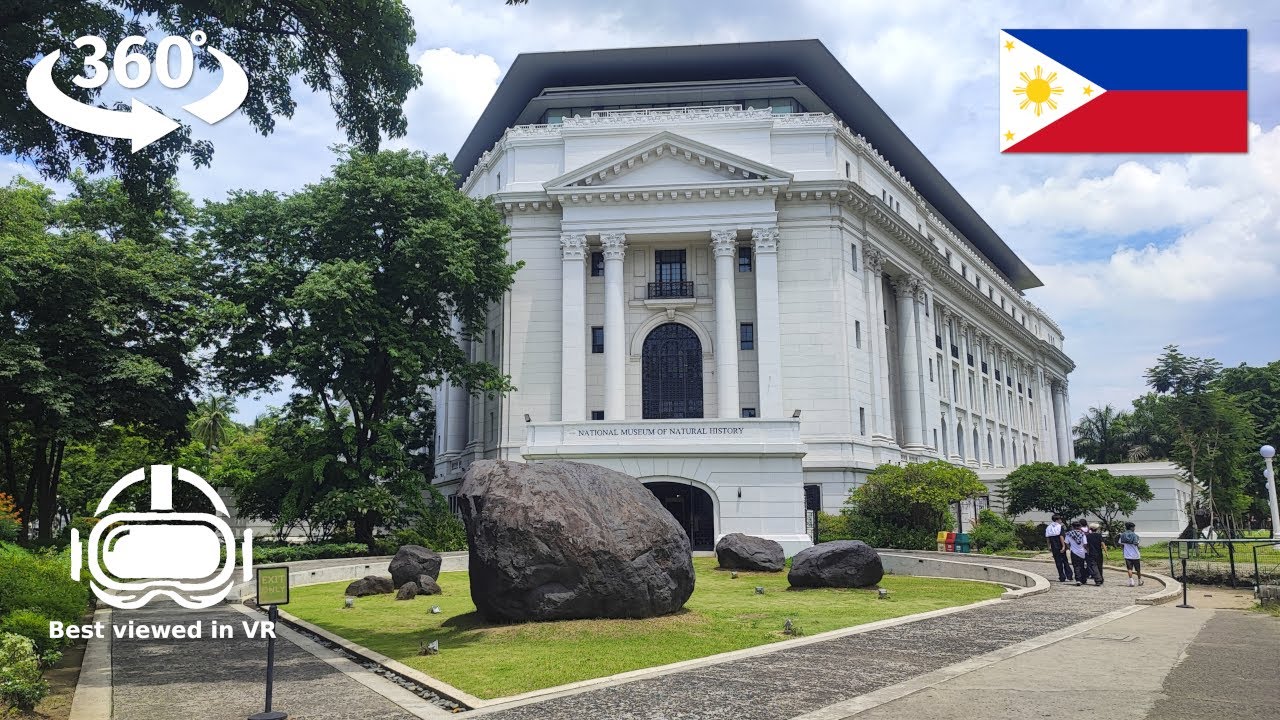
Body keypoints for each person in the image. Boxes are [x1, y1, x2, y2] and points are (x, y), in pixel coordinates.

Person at [1045, 514, 1073, 582]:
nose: (1061, 520)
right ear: (1057, 520)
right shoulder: (1059, 526)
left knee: (1058, 562)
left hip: (1053, 546)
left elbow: (1047, 538)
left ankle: (1061, 576)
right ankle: (1069, 575)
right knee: (1064, 561)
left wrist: (1049, 546)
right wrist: (1063, 546)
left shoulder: (1049, 527)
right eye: (1060, 519)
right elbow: (1061, 537)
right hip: (1059, 544)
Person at [1064, 520, 1091, 586]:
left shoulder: (1069, 534)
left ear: (1072, 527)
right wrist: (1087, 550)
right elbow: (1085, 544)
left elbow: (1066, 543)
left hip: (1073, 552)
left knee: (1076, 566)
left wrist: (1069, 547)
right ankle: (1083, 579)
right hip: (1082, 552)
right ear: (1080, 527)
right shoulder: (1082, 534)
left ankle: (1078, 580)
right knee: (1082, 566)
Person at [1118, 521, 1144, 587]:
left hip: (1127, 555)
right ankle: (1139, 581)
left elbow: (1121, 544)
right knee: (1138, 569)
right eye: (1134, 527)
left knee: (1129, 568)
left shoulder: (1122, 535)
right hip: (1135, 555)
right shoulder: (1136, 536)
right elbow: (1137, 544)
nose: (1134, 529)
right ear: (1131, 528)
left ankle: (1131, 581)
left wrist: (1124, 549)